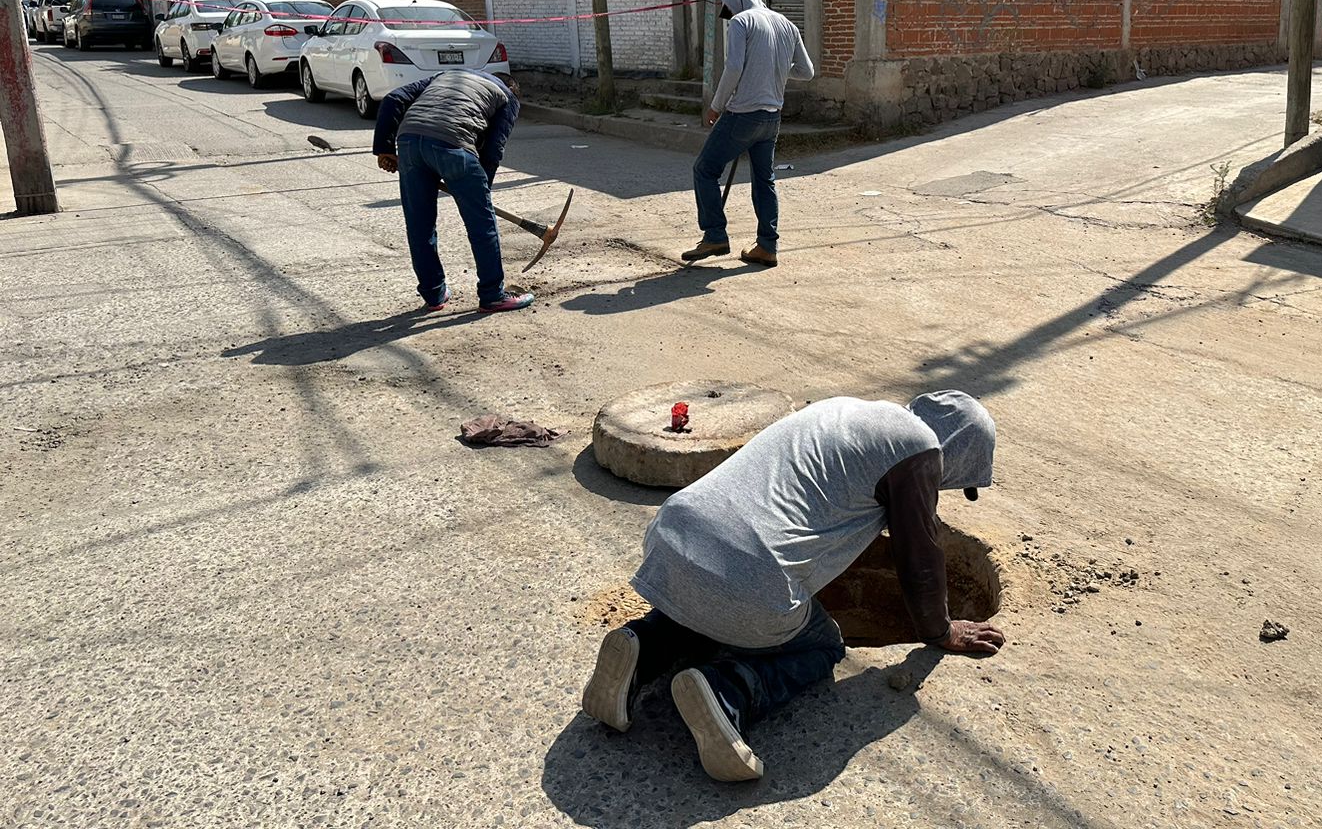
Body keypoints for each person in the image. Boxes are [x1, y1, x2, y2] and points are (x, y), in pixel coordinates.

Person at [580, 391, 1005, 782]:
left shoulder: (848, 412)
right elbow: (920, 560)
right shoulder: (921, 450)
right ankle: (729, 691)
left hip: (673, 534)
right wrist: (940, 630)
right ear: (959, 451)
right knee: (821, 644)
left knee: (713, 599)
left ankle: (643, 645)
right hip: (749, 569)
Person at [372, 69, 533, 314]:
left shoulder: (445, 75)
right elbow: (493, 149)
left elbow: (393, 98)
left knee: (419, 225)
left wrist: (384, 147)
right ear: (511, 88)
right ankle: (492, 295)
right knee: (482, 225)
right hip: (453, 144)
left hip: (409, 142)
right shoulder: (507, 96)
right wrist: (481, 193)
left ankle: (434, 294)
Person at [681, 0, 814, 268]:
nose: (727, 13)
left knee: (704, 169)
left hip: (742, 115)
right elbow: (807, 71)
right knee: (765, 180)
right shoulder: (787, 24)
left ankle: (715, 235)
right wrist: (775, 69)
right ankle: (767, 246)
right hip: (771, 117)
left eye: (728, 6)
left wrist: (715, 106)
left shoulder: (742, 22)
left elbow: (733, 68)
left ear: (738, 0)